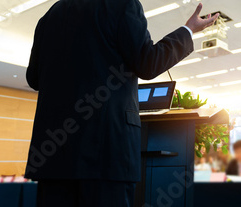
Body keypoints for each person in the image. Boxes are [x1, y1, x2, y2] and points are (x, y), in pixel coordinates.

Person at [24, 1, 219, 206]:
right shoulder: (122, 5)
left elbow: (33, 78)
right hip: (105, 153)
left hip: (53, 157)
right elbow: (148, 63)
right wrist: (188, 30)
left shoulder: (50, 16)